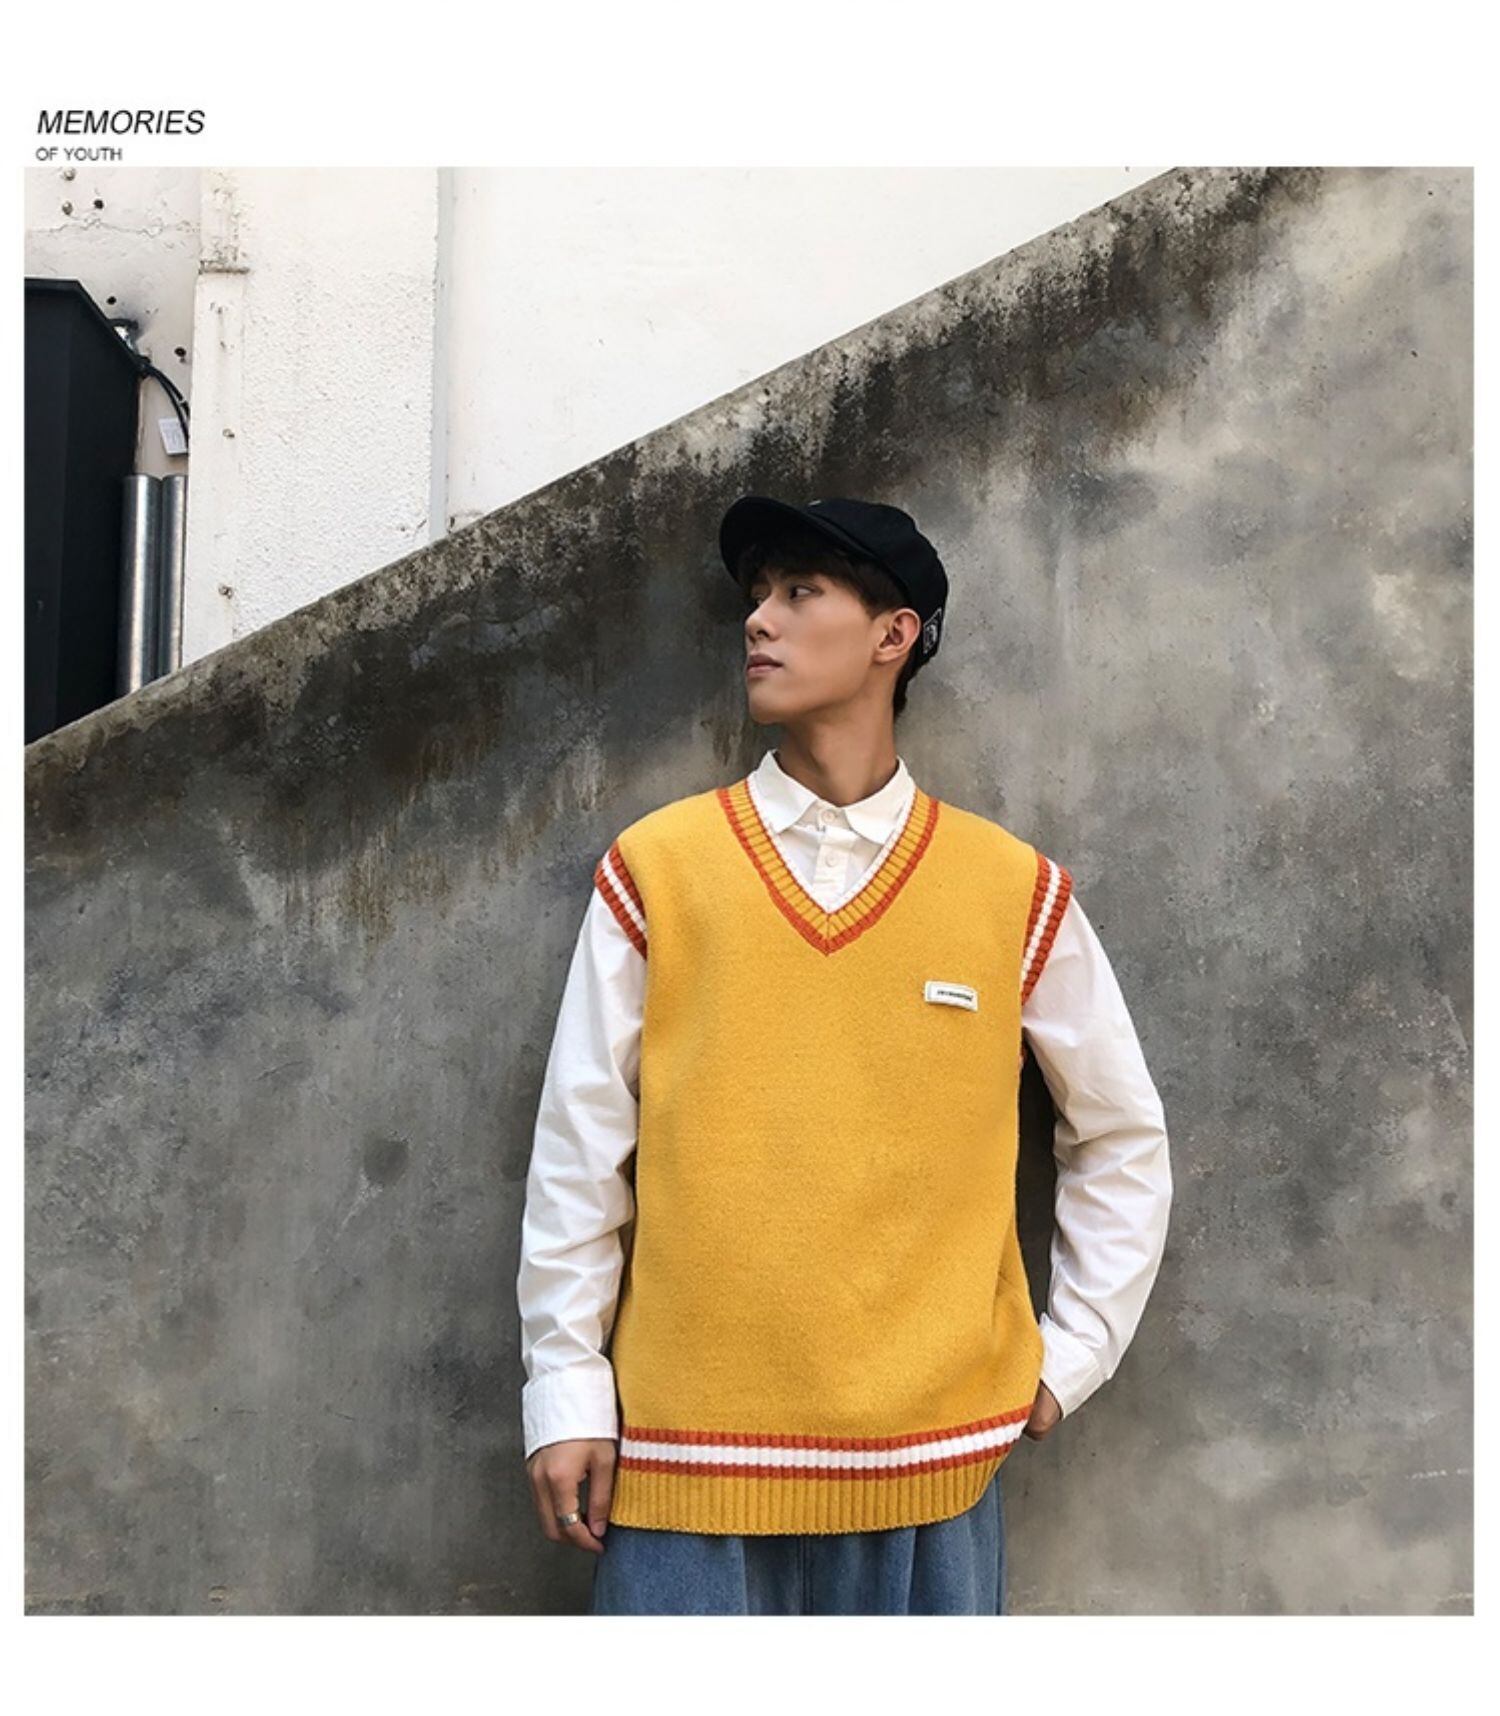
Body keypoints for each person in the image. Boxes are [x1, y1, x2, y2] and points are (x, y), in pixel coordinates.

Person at [516, 495, 1172, 1615]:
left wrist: (1071, 1358)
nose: (758, 621)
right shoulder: (660, 868)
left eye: (799, 592)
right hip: (685, 1469)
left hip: (934, 1471)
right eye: (755, 597)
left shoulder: (1010, 888)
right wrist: (567, 1388)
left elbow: (1120, 1136)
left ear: (892, 634)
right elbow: (581, 1144)